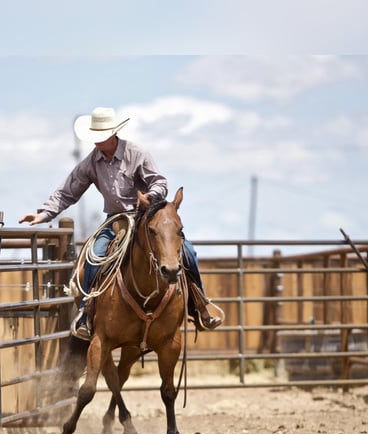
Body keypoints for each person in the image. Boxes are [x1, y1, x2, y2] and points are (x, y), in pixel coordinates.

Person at [19, 107, 222, 340]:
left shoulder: (136, 153)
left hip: (146, 217)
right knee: (94, 255)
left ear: (113, 133)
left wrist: (150, 199)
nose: (97, 139)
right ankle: (86, 312)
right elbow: (68, 191)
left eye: (101, 134)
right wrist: (43, 214)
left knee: (188, 252)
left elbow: (160, 182)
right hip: (115, 220)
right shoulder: (91, 163)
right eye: (94, 134)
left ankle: (200, 305)